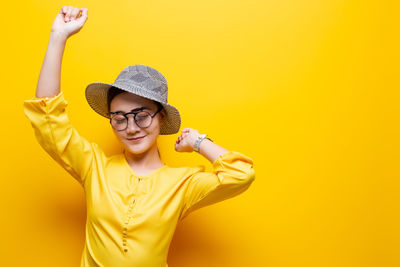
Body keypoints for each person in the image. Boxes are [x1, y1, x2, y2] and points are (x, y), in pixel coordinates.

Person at [23, 5, 256, 267]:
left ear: (162, 118)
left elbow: (241, 174)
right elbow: (47, 119)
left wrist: (199, 142)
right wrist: (58, 36)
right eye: (119, 118)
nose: (131, 128)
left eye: (142, 115)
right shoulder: (93, 167)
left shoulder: (182, 185)